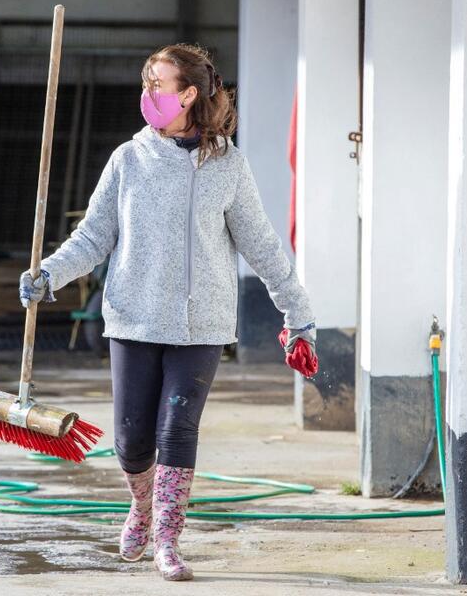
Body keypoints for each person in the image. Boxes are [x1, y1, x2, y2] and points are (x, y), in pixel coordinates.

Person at [19, 43, 318, 581]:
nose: (148, 93)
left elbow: (263, 245)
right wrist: (48, 275)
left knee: (178, 428)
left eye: (159, 84)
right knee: (132, 438)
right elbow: (93, 237)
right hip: (134, 317)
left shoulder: (227, 164)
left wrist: (297, 313)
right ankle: (141, 503)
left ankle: (167, 538)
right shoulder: (128, 160)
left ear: (189, 94)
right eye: (146, 83)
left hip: (202, 324)